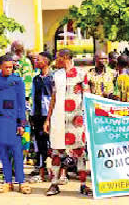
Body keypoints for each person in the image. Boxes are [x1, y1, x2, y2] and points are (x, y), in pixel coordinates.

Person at [44, 50, 91, 197]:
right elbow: (53, 97)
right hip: (58, 119)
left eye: (58, 57)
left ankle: (83, 185)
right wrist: (48, 119)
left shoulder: (81, 74)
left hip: (76, 120)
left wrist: (88, 116)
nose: (55, 60)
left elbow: (87, 96)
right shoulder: (56, 75)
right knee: (56, 152)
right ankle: (54, 184)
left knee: (80, 152)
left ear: (65, 58)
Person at [0, 55, 31, 194]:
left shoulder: (17, 81)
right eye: (6, 67)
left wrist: (21, 123)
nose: (9, 70)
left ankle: (21, 182)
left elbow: (21, 104)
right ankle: (7, 182)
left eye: (11, 67)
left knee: (17, 153)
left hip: (13, 121)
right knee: (3, 153)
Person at [29, 51, 53, 183]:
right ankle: (41, 172)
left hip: (50, 116)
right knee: (40, 143)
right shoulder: (36, 79)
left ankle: (59, 173)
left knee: (54, 144)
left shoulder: (53, 78)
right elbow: (33, 97)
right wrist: (32, 114)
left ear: (46, 62)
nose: (35, 62)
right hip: (38, 115)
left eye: (38, 60)